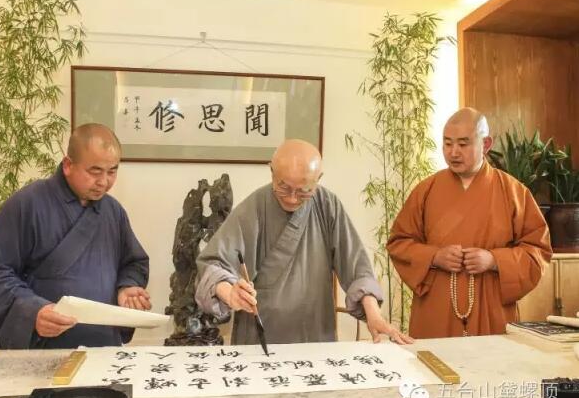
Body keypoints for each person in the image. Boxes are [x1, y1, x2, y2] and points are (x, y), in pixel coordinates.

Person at [195, 139, 412, 345]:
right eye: (283, 187)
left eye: (304, 191)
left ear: (319, 178)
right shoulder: (255, 207)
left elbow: (357, 267)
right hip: (260, 336)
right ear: (272, 172)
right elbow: (212, 266)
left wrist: (374, 315)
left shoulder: (328, 205)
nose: (292, 198)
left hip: (314, 332)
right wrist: (230, 293)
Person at [0, 123, 150, 349]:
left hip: (104, 347)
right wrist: (32, 312)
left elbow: (133, 262)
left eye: (112, 171)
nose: (104, 182)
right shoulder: (28, 204)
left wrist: (127, 287)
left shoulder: (113, 211)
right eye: (95, 171)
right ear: (68, 165)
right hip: (44, 347)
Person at [387, 108, 552, 338]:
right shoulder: (426, 190)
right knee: (435, 360)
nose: (453, 152)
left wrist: (494, 260)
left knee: (491, 361)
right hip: (437, 306)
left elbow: (538, 252)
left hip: (491, 304)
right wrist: (434, 257)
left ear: (486, 144)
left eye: (463, 144)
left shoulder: (513, 192)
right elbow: (398, 243)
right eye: (447, 143)